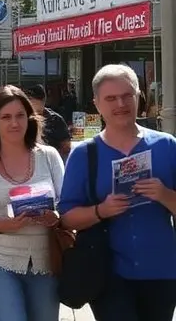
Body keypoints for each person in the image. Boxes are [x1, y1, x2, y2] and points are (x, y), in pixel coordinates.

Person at [59, 64, 176, 320]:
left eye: (127, 95)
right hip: (108, 271)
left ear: (139, 96)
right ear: (97, 104)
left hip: (162, 269)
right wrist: (101, 211)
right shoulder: (84, 154)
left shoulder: (167, 146)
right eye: (111, 98)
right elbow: (66, 217)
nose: (120, 103)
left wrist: (164, 195)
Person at [0, 86, 65, 321]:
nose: (14, 123)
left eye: (20, 116)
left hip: (47, 261)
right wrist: (1, 225)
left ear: (30, 119)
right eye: (6, 117)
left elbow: (66, 206)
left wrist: (57, 216)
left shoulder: (49, 156)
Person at [22, 84, 71, 160]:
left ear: (44, 101)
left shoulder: (56, 120)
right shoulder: (21, 120)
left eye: (38, 113)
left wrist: (52, 157)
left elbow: (66, 147)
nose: (35, 117)